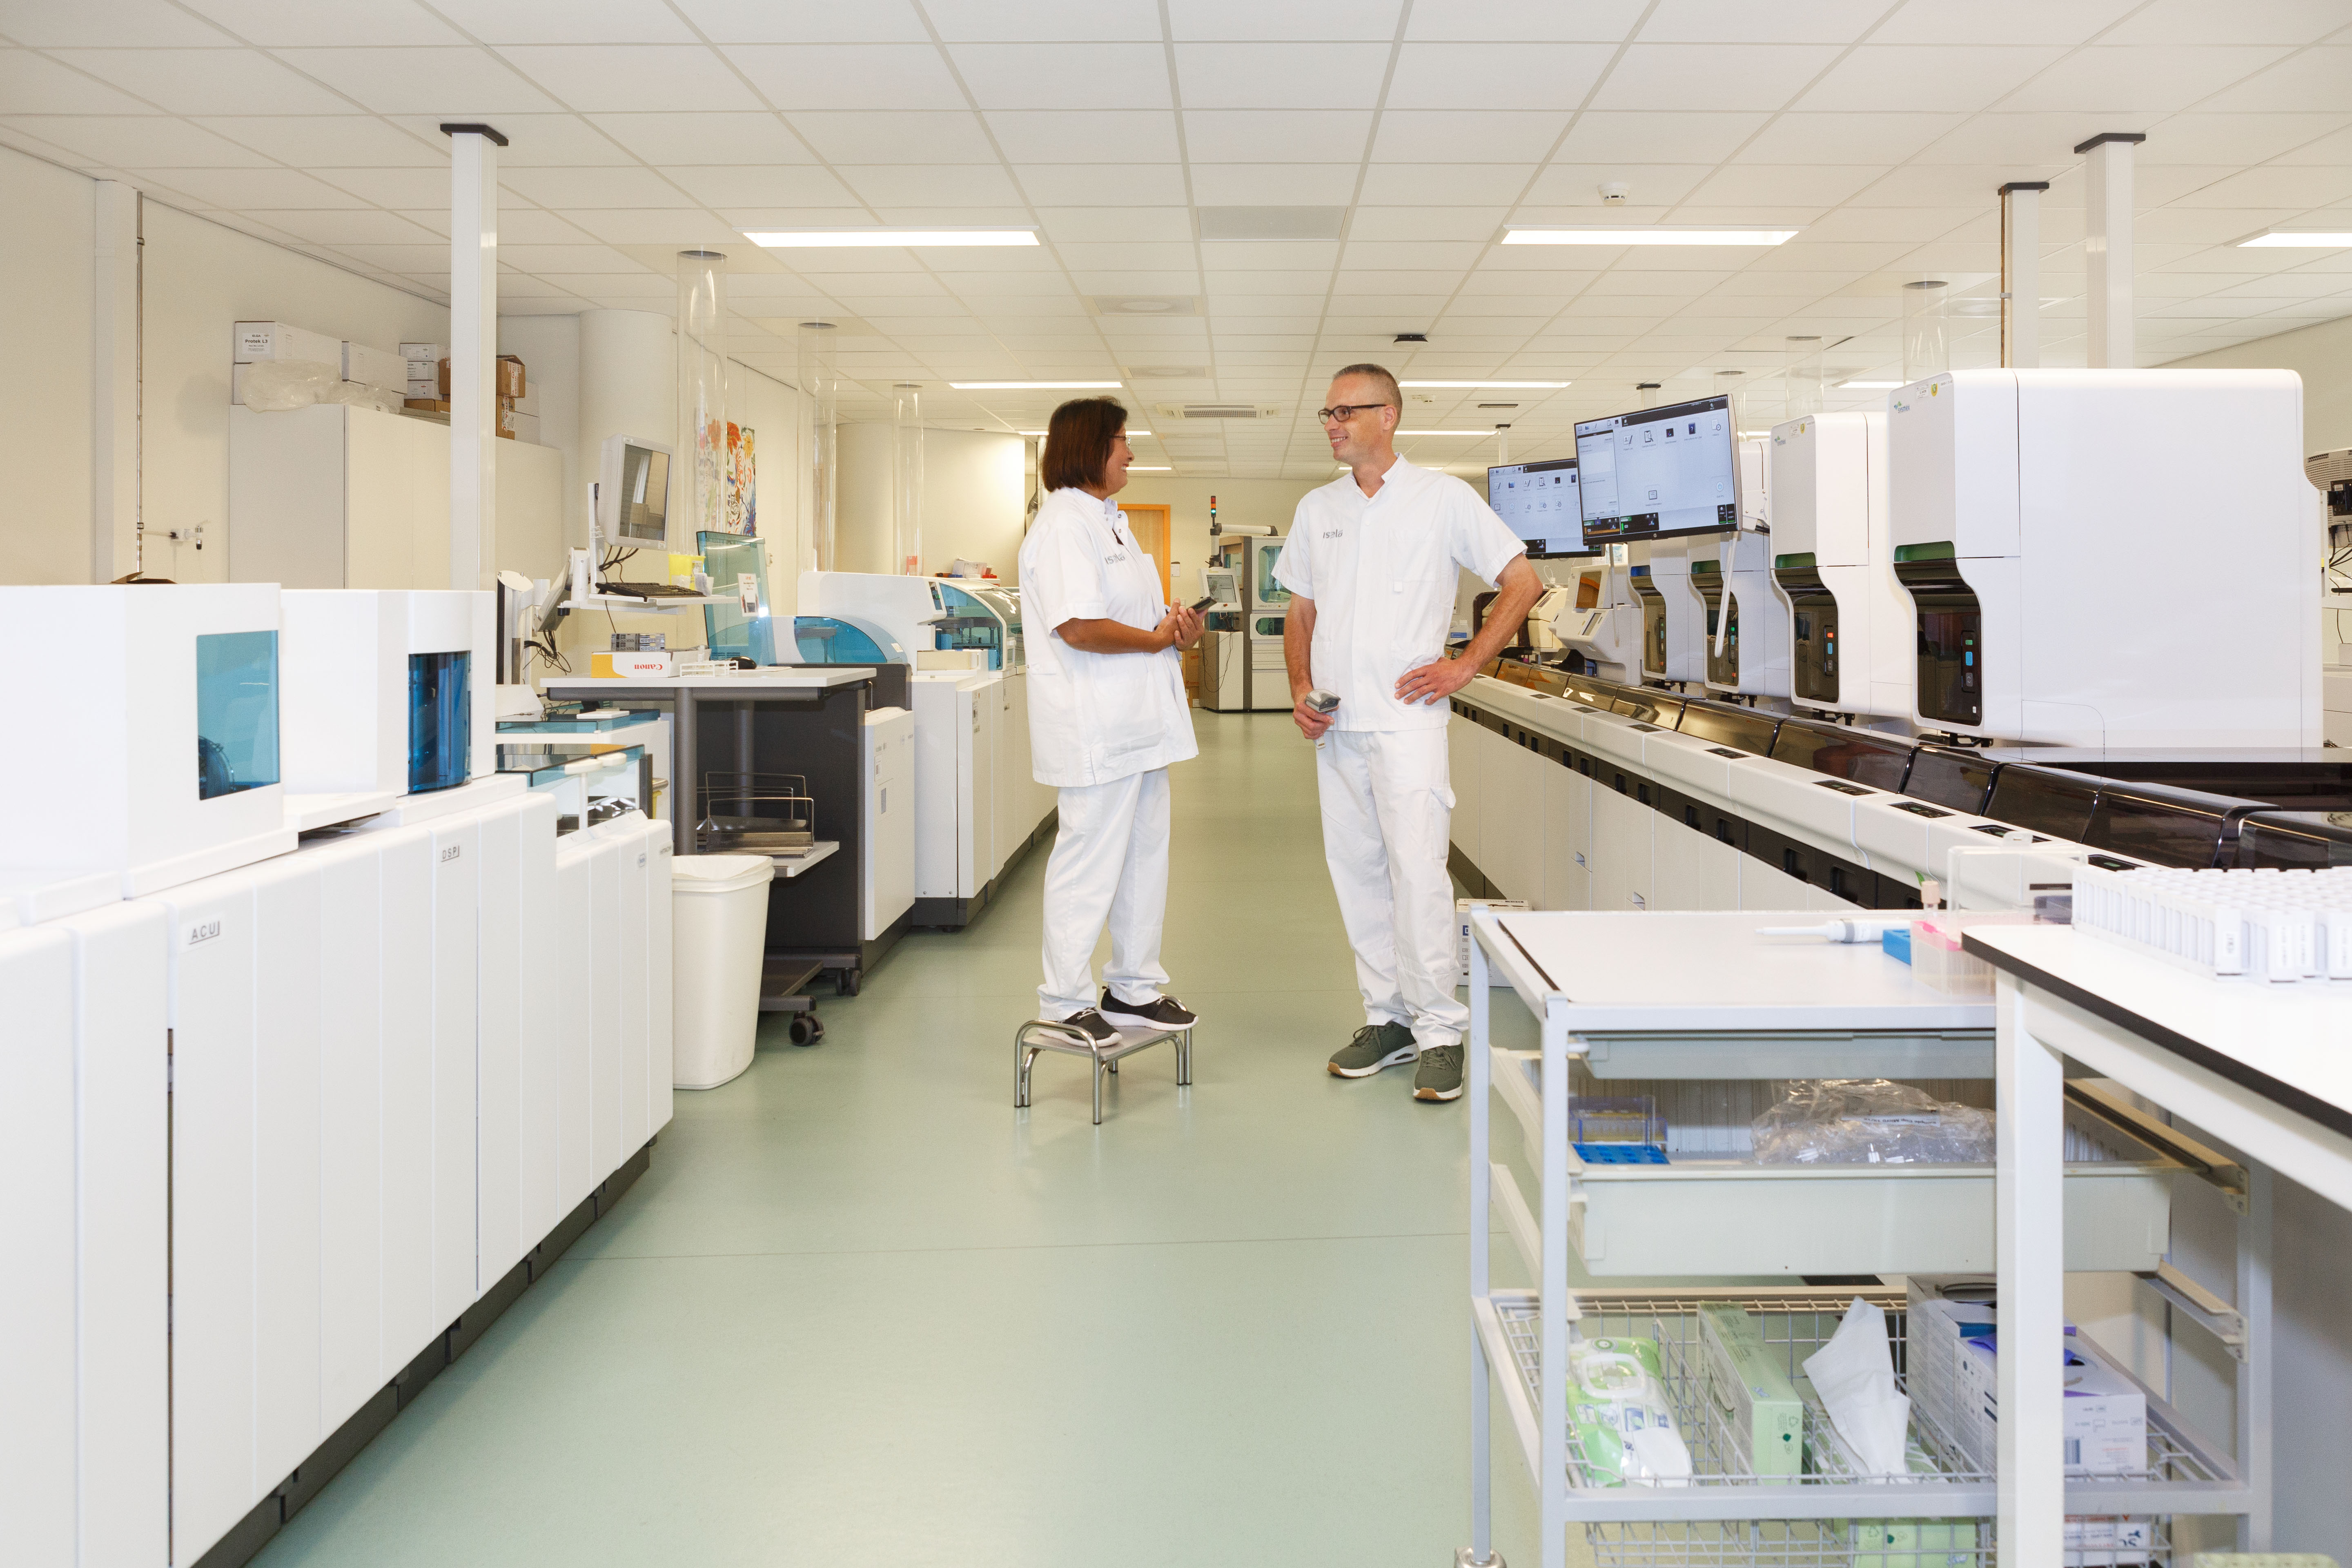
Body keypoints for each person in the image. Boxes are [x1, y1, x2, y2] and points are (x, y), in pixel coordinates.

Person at [1275, 363, 1543, 1102]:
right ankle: (1386, 1020)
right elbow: (1302, 612)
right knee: (1357, 874)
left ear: (1388, 416)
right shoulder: (1317, 508)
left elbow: (1522, 583)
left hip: (1407, 723)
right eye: (1327, 412)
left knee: (1419, 874)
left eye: (1347, 412)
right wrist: (1300, 687)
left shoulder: (1441, 499)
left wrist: (1465, 666)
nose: (1332, 423)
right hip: (1337, 726)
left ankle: (1441, 1031)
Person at [1019, 396, 1205, 1047]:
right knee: (1089, 862)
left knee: (1142, 859)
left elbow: (1128, 616)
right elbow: (1077, 626)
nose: (1130, 451)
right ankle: (1064, 1002)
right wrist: (1155, 643)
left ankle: (1132, 989)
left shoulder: (1109, 522)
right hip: (1096, 728)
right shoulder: (1065, 525)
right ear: (1089, 447)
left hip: (1140, 728)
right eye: (1122, 440)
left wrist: (1173, 631)